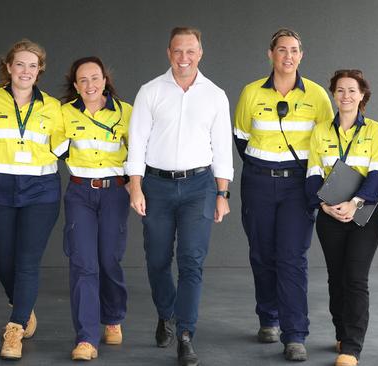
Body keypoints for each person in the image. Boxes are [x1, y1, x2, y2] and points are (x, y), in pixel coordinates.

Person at [126, 26, 233, 366]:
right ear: (168, 53)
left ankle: (185, 333)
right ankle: (166, 312)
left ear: (200, 53)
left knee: (191, 262)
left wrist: (222, 193)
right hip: (155, 187)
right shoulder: (150, 91)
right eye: (178, 51)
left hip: (198, 187)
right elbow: (138, 141)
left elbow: (222, 149)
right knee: (157, 259)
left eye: (191, 51)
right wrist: (135, 185)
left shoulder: (215, 95)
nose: (184, 58)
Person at [233, 28, 333, 361]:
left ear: (301, 56)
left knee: (292, 258)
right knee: (261, 254)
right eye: (281, 50)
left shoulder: (318, 96)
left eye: (293, 50)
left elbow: (327, 144)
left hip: (298, 186)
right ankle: (268, 318)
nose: (287, 56)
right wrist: (264, 166)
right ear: (270, 54)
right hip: (258, 183)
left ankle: (294, 334)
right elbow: (242, 140)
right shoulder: (250, 93)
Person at [0, 39, 64, 360]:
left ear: (39, 70)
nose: (25, 71)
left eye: (32, 65)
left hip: (41, 191)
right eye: (20, 64)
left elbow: (64, 147)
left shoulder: (52, 107)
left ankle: (14, 328)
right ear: (9, 67)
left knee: (27, 261)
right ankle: (24, 306)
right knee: (4, 260)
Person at [305, 70, 378, 366]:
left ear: (362, 94)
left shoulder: (375, 130)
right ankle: (341, 331)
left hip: (364, 214)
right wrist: (323, 206)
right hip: (329, 215)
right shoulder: (321, 131)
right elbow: (313, 174)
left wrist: (355, 202)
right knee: (336, 278)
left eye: (352, 90)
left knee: (355, 278)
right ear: (333, 95)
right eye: (340, 90)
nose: (346, 96)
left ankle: (352, 348)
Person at [56, 56, 133, 361]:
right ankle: (86, 338)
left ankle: (112, 317)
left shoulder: (125, 111)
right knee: (83, 263)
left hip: (115, 192)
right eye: (83, 80)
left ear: (105, 79)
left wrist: (132, 183)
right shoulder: (64, 114)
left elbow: (139, 150)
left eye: (95, 78)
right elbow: (58, 149)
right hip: (80, 193)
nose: (90, 84)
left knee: (109, 259)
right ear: (75, 85)